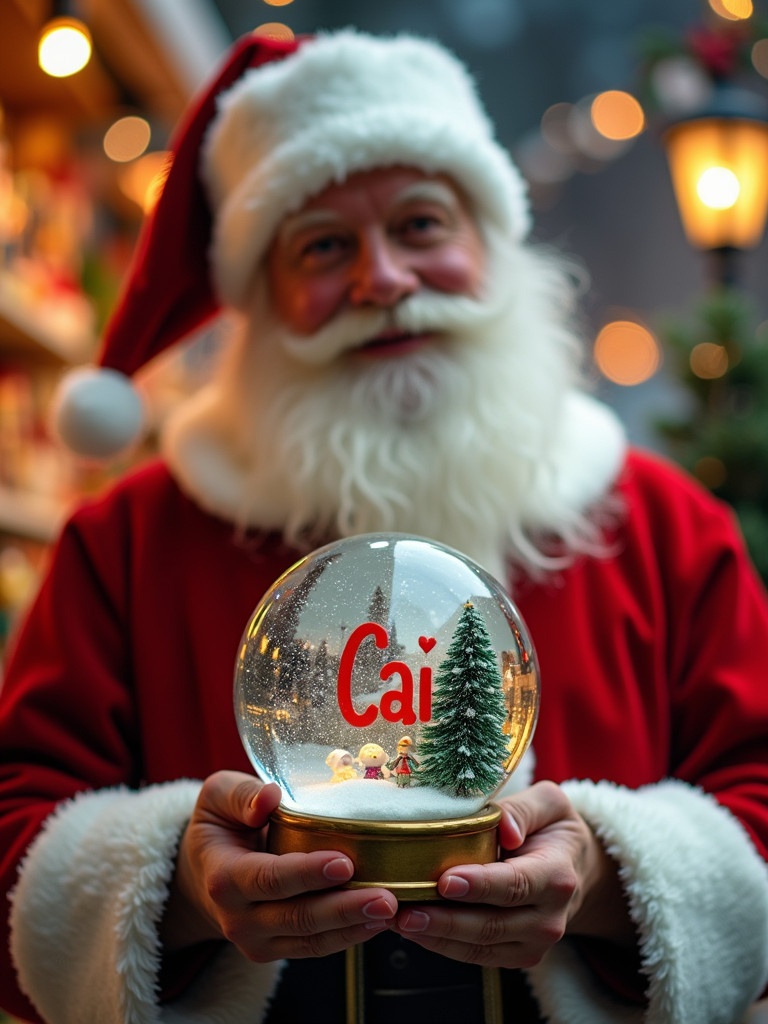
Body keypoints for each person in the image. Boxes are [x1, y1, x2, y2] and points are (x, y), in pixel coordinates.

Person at [1, 27, 767, 1024]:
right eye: (324, 245)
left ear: (490, 245)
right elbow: (17, 833)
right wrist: (181, 890)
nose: (384, 279)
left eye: (420, 224)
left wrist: (614, 876)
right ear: (260, 298)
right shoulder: (127, 544)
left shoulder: (665, 529)